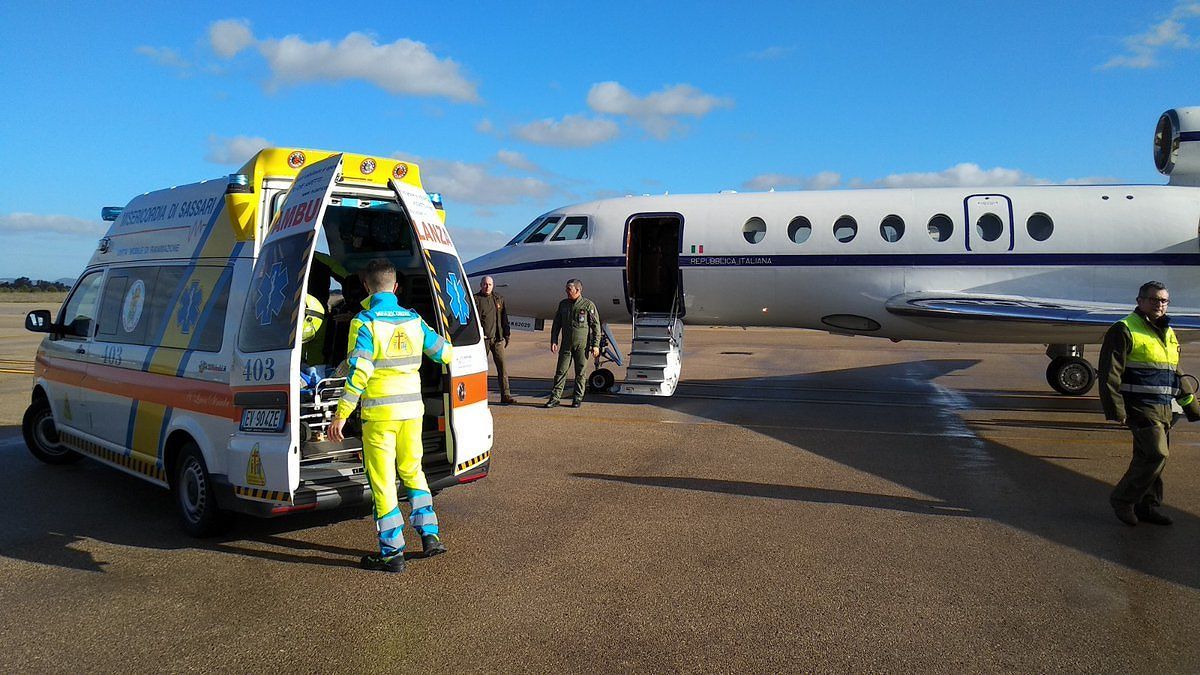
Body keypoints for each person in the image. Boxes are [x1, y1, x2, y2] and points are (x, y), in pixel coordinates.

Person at [328, 259, 452, 572]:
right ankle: (430, 536)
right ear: (396, 287)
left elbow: (360, 371)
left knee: (383, 482)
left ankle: (391, 553)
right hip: (413, 412)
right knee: (413, 471)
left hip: (380, 416)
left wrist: (342, 413)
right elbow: (444, 352)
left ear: (367, 287)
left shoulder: (364, 321)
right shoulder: (414, 319)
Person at [1099, 280, 1200, 526]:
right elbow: (1109, 373)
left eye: (1164, 300)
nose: (1160, 305)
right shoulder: (1124, 329)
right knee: (1156, 453)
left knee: (1151, 457)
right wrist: (1116, 409)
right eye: (1154, 299)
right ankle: (1123, 499)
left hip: (1163, 407)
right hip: (1140, 405)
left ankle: (1147, 505)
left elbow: (1174, 371)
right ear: (1140, 301)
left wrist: (1191, 405)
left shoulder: (1167, 331)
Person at [545, 278, 600, 408]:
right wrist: (554, 340)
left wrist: (596, 345)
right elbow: (557, 324)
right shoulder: (563, 304)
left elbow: (595, 326)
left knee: (580, 372)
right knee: (560, 371)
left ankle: (577, 398)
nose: (567, 292)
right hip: (566, 345)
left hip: (582, 346)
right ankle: (555, 398)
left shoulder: (588, 305)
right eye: (566, 289)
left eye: (569, 289)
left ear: (578, 290)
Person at [474, 276, 516, 405]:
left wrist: (507, 334)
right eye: (485, 284)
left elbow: (504, 317)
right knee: (480, 369)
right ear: (481, 285)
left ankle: (506, 395)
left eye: (490, 284)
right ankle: (478, 396)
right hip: (483, 340)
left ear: (493, 286)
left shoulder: (499, 299)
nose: (487, 287)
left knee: (502, 368)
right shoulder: (475, 299)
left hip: (498, 339)